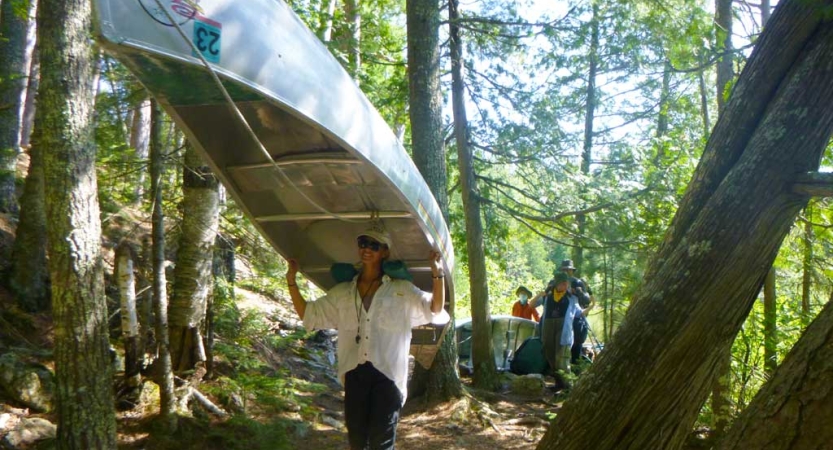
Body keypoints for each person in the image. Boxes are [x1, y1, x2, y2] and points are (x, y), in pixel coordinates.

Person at [285, 227, 448, 450]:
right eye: (363, 243)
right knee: (357, 442)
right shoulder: (343, 292)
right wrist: (291, 281)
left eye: (374, 245)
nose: (367, 249)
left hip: (388, 376)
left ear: (385, 252)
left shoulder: (401, 290)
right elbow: (308, 314)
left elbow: (435, 308)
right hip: (354, 373)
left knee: (382, 443)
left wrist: (437, 273)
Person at [536, 271, 589, 390]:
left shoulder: (572, 298)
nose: (565, 285)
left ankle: (567, 387)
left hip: (563, 330)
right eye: (562, 283)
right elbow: (532, 305)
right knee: (550, 355)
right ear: (557, 284)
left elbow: (579, 313)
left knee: (562, 357)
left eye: (566, 283)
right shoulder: (548, 296)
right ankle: (558, 384)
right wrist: (541, 294)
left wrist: (591, 306)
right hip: (548, 328)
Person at [558, 259, 595, 365]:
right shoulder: (557, 282)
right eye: (564, 270)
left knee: (576, 344)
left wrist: (579, 293)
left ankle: (575, 366)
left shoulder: (577, 282)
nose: (566, 272)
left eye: (568, 270)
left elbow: (586, 300)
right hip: (561, 317)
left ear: (572, 271)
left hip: (576, 318)